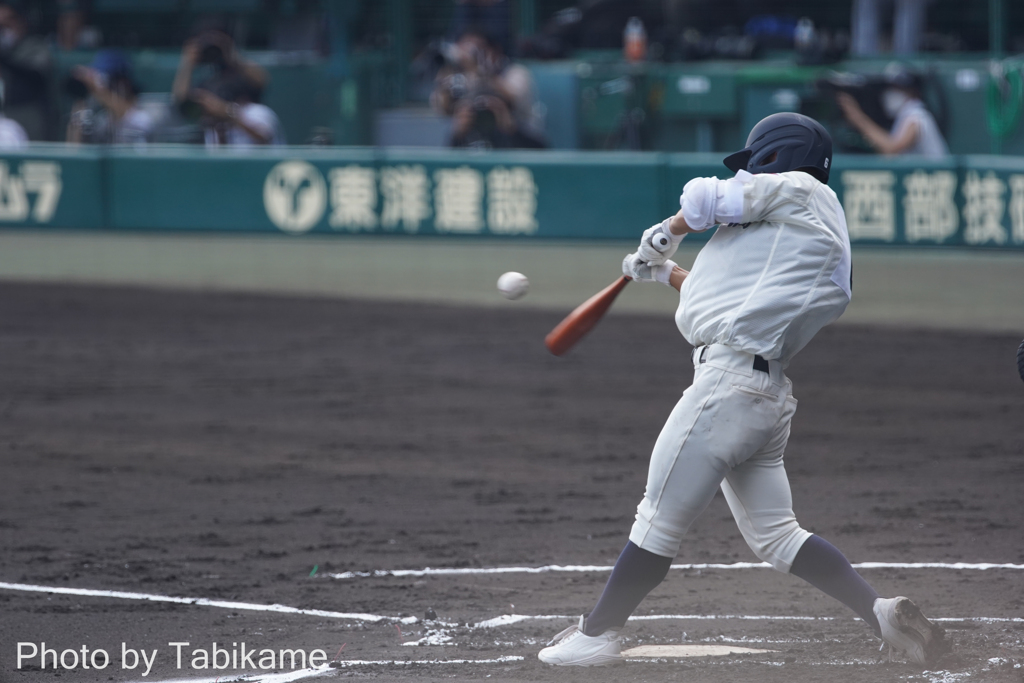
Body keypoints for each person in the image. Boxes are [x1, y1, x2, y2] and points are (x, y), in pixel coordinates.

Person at [537, 113, 950, 668]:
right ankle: (881, 614)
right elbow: (728, 298)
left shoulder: (801, 191)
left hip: (727, 389)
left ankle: (597, 632)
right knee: (778, 536)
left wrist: (667, 231)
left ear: (776, 157)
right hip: (761, 395)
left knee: (657, 520)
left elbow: (705, 197)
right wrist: (662, 272)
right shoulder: (801, 227)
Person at [431, 28, 545, 149]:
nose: (470, 55)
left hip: (517, 142)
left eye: (478, 49)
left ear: (495, 50)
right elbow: (442, 109)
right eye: (465, 48)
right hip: (471, 145)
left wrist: (484, 72)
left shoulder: (515, 72)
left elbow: (514, 98)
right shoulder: (460, 77)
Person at [837, 71, 948, 158]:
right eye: (893, 88)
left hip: (937, 181)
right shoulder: (903, 116)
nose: (893, 93)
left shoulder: (917, 115)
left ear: (913, 91)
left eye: (899, 89)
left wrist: (857, 117)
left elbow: (891, 150)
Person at [66, 50, 154, 145]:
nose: (102, 87)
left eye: (104, 81)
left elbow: (129, 116)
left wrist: (97, 89)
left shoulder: (145, 115)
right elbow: (74, 150)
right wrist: (80, 98)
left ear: (123, 84)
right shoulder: (103, 121)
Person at [0, 2, 51, 141]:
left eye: (8, 22)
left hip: (28, 114)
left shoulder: (35, 45)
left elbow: (34, 78)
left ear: (22, 22)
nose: (4, 30)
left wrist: (4, 57)